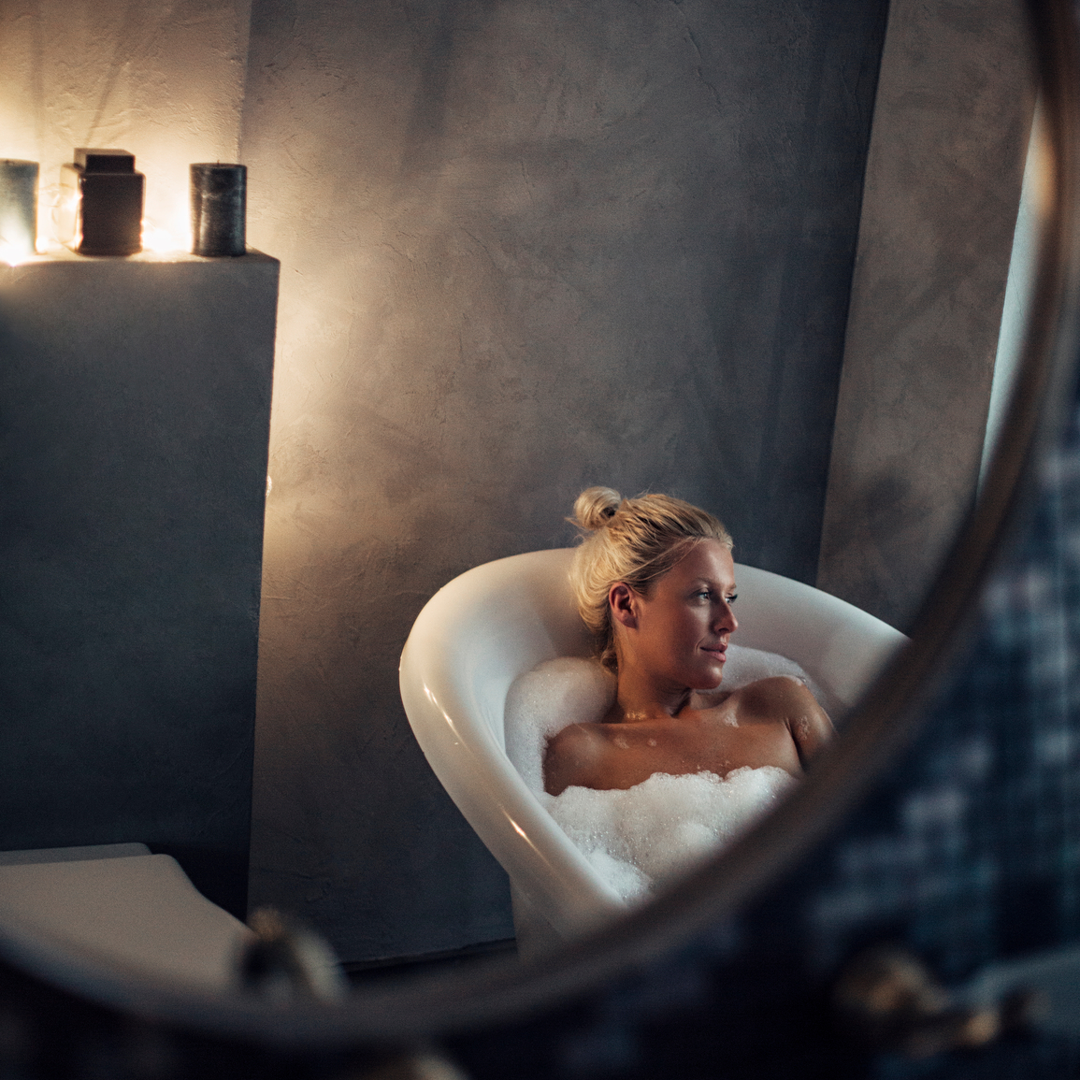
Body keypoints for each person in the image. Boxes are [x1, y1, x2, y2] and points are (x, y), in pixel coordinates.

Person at [543, 487, 835, 797]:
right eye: (704, 595)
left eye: (729, 597)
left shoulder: (781, 707)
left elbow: (870, 826)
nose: (730, 622)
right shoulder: (583, 755)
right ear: (626, 605)